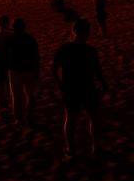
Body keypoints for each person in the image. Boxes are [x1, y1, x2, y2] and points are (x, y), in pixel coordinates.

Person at [53, 19, 108, 158]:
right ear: (88, 32)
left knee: (71, 118)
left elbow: (54, 69)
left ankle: (71, 149)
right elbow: (98, 71)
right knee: (94, 118)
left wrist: (60, 85)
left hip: (70, 88)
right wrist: (103, 83)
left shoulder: (64, 48)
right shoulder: (90, 50)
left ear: (74, 31)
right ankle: (96, 148)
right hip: (87, 87)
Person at [8, 18, 40, 126]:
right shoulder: (30, 38)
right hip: (28, 70)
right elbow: (36, 56)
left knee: (17, 96)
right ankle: (29, 117)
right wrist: (37, 70)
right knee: (30, 96)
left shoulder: (10, 39)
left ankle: (19, 118)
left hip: (16, 71)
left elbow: (6, 55)